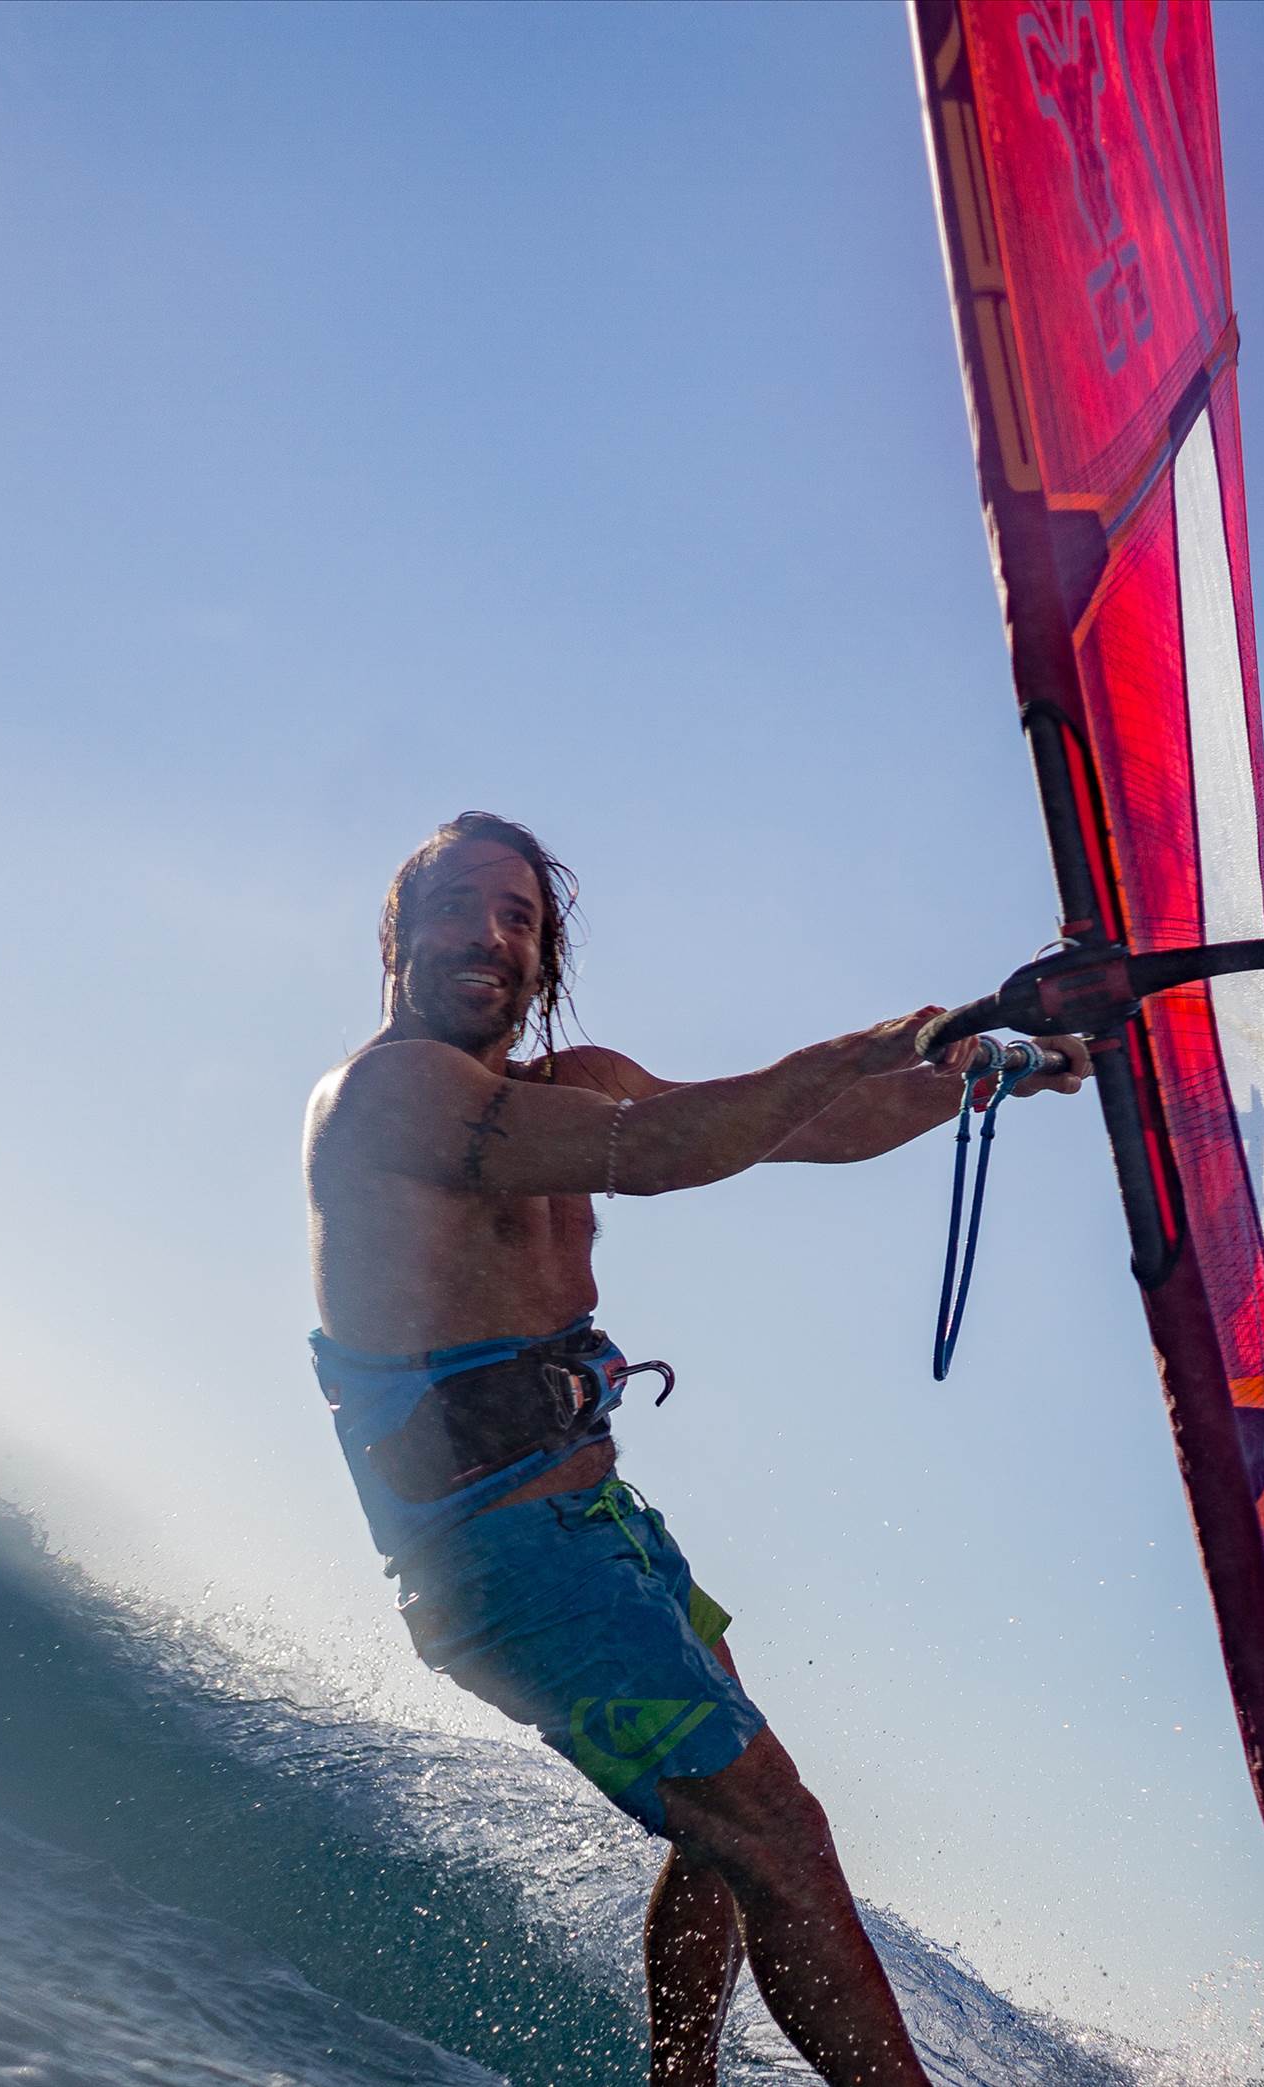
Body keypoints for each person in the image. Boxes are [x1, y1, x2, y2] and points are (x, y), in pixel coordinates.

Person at [303, 812, 1087, 2087]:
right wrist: (867, 1040)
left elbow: (810, 1125)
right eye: (454, 906)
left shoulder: (575, 1077)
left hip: (599, 1527)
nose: (486, 935)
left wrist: (991, 1068)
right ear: (394, 935)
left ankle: (681, 2080)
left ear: (544, 957)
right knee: (780, 1833)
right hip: (502, 1559)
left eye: (517, 917)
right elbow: (653, 1152)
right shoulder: (387, 1096)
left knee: (729, 1837)